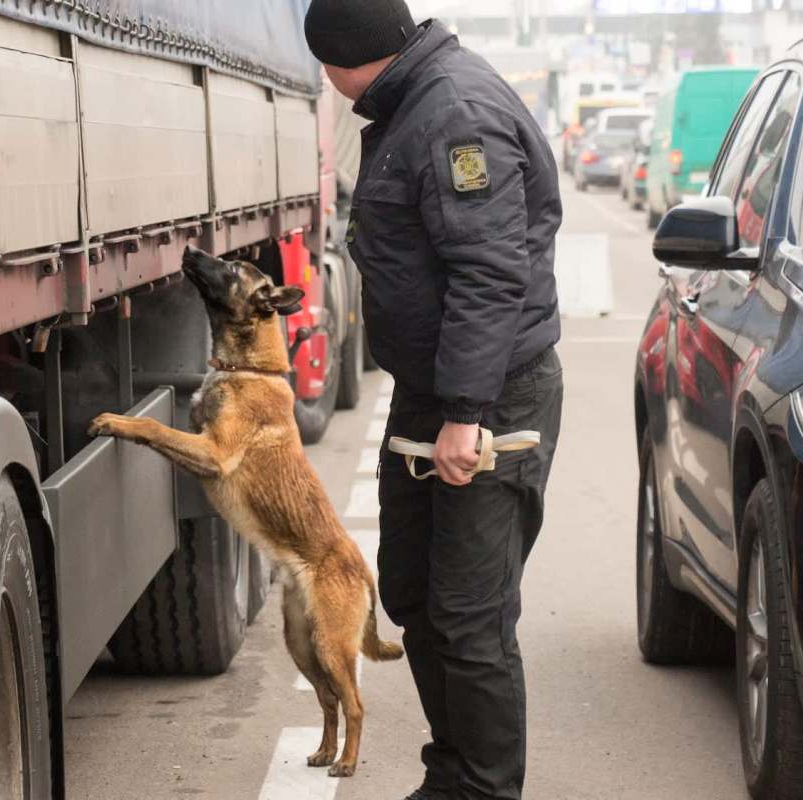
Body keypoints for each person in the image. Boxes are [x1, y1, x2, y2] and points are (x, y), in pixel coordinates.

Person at [304, 2, 565, 799]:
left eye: (323, 63)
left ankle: (486, 789)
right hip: (436, 392)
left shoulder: (454, 116)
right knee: (415, 594)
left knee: (469, 617)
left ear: (345, 56)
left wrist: (463, 413)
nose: (325, 80)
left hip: (487, 400)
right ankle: (452, 774)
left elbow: (489, 274)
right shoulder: (413, 103)